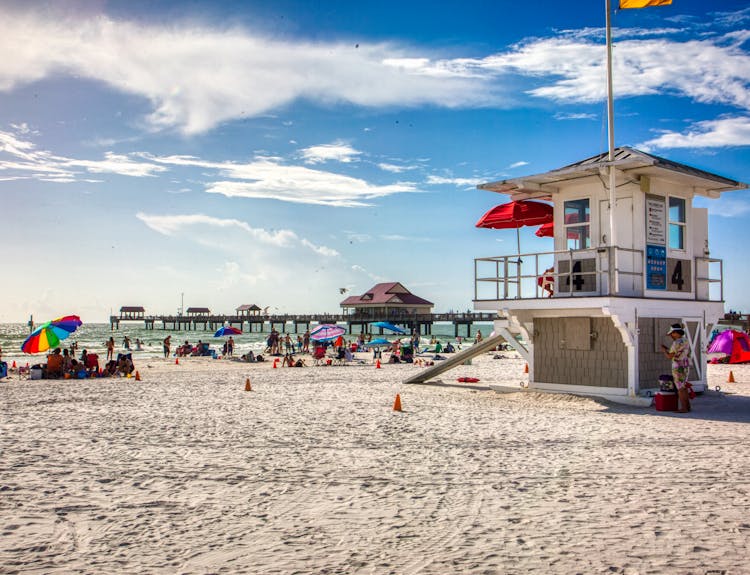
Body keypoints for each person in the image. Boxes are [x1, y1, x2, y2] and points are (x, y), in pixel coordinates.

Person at [662, 323, 691, 413]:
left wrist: (664, 351)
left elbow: (670, 356)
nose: (671, 335)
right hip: (685, 365)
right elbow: (679, 352)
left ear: (676, 332)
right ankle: (687, 406)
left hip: (678, 366)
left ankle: (683, 408)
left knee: (680, 388)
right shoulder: (685, 340)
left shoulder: (676, 342)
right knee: (684, 386)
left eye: (672, 333)